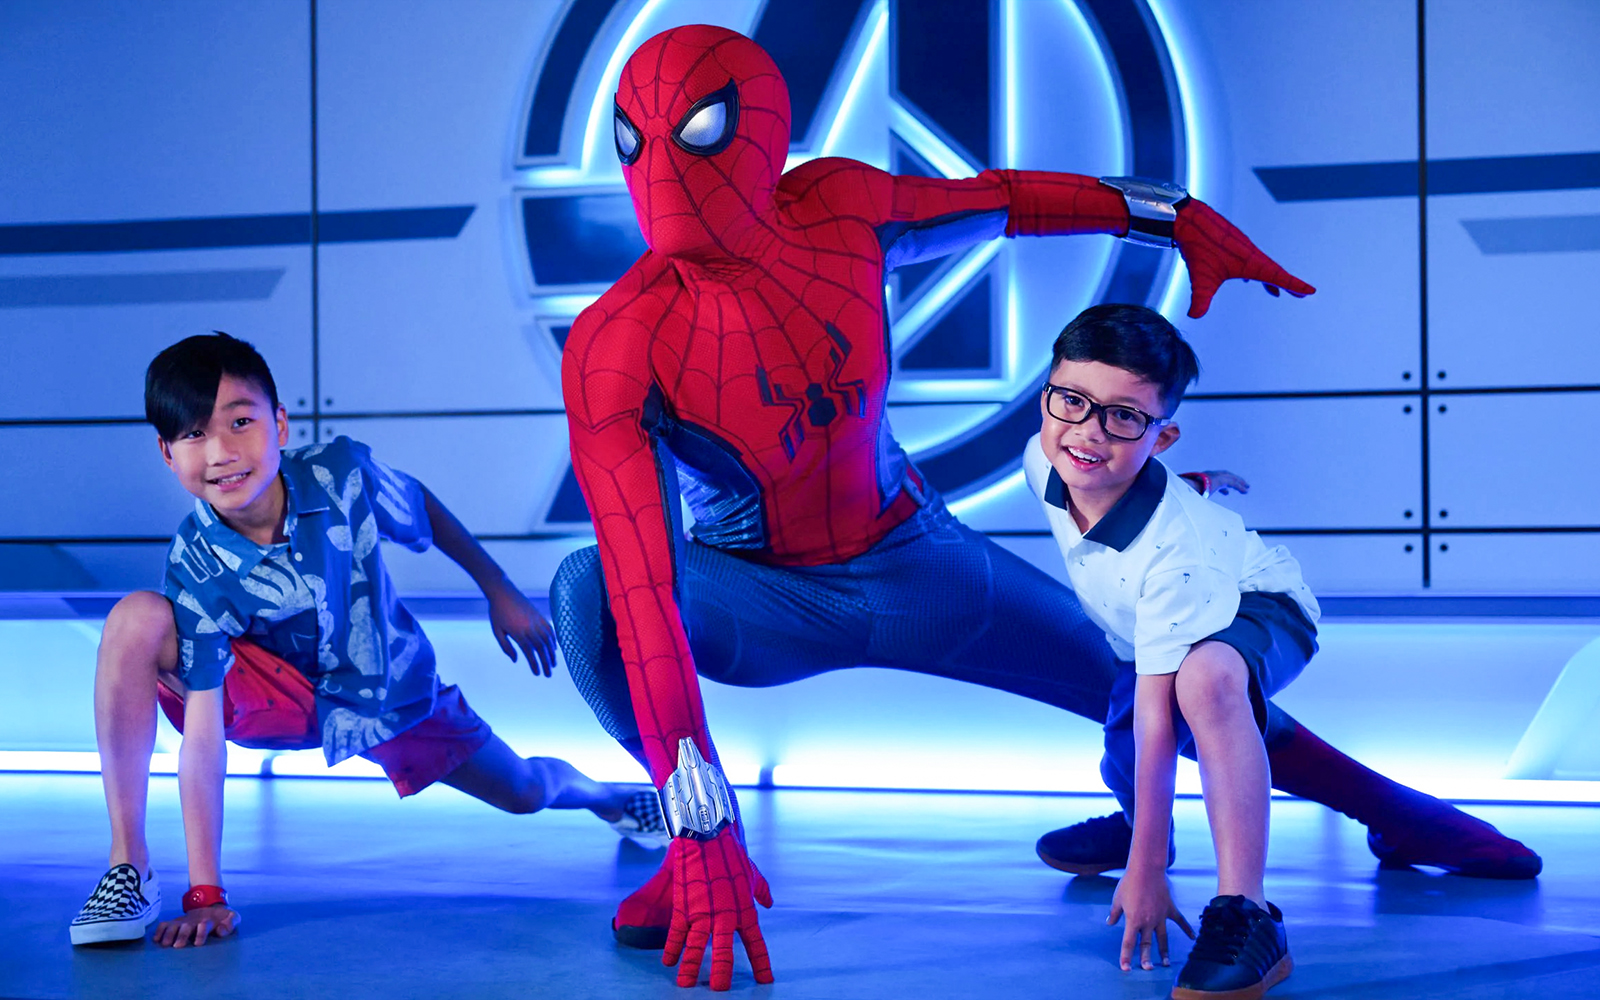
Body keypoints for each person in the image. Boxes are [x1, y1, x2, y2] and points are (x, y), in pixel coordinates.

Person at [550, 24, 1539, 991]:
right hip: (761, 598)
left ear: (764, 131)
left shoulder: (837, 208)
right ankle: (685, 851)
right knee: (584, 590)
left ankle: (1383, 810)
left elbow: (1005, 200)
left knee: (1155, 670)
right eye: (635, 140)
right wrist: (702, 825)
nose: (665, 173)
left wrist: (1173, 214)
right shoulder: (618, 340)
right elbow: (641, 590)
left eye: (701, 131)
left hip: (917, 559)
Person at [69, 333, 664, 949]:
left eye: (240, 421)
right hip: (274, 700)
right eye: (194, 434)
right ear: (167, 454)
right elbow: (201, 736)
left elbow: (422, 508)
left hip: (388, 692)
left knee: (525, 790)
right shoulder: (193, 561)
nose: (221, 451)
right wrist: (207, 895)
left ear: (280, 423)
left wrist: (500, 589)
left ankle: (611, 798)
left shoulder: (339, 473)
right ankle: (128, 870)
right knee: (136, 617)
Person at [1023, 303, 1312, 996]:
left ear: (1162, 436)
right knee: (1121, 751)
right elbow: (1128, 476)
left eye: (1124, 417)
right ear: (1048, 395)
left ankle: (1248, 914)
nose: (1088, 433)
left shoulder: (1179, 554)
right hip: (1144, 622)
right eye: (1073, 401)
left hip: (1258, 602)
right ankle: (1137, 827)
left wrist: (1146, 869)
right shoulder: (1042, 458)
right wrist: (1198, 485)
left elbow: (1160, 722)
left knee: (1203, 683)